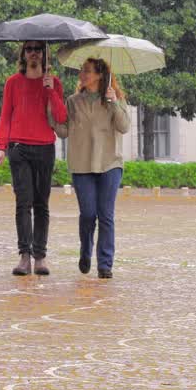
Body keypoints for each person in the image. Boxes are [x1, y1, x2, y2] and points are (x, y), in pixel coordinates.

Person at [50, 58, 129, 279]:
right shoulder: (73, 101)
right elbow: (64, 131)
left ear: (99, 75)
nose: (82, 74)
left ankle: (105, 264)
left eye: (87, 71)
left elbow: (124, 127)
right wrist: (50, 112)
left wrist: (113, 102)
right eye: (82, 70)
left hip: (110, 164)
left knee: (105, 215)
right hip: (82, 165)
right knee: (88, 214)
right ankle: (85, 250)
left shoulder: (116, 99)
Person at [0, 40, 68, 276]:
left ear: (45, 54)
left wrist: (50, 90)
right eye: (29, 49)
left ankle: (40, 257)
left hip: (45, 148)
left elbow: (61, 115)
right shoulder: (13, 83)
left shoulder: (54, 82)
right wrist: (1, 147)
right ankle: (24, 256)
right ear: (23, 54)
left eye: (38, 49)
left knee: (41, 204)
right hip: (19, 149)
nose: (33, 53)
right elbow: (6, 116)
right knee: (23, 202)